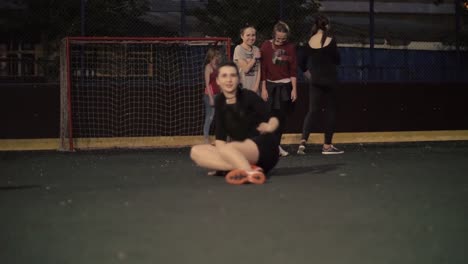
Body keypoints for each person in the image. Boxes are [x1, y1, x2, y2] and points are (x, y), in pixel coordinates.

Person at [190, 62, 280, 185]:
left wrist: (270, 126)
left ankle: (248, 172)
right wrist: (221, 161)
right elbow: (220, 141)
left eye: (233, 75)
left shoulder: (249, 96)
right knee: (196, 151)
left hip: (263, 146)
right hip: (237, 151)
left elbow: (273, 118)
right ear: (217, 80)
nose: (229, 80)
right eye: (224, 76)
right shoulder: (220, 102)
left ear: (238, 79)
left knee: (229, 148)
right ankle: (243, 167)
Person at [297, 14, 344, 155]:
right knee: (330, 111)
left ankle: (302, 143)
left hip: (315, 81)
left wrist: (308, 74)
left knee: (312, 111)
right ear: (327, 25)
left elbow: (301, 62)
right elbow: (337, 60)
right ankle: (327, 146)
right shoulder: (331, 40)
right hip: (330, 80)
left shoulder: (309, 41)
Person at [260, 21, 297, 157]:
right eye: (278, 38)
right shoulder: (265, 46)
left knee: (281, 119)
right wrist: (263, 88)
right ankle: (268, 146)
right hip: (270, 86)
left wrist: (294, 89)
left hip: (285, 86)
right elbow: (263, 69)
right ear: (273, 35)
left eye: (283, 39)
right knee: (269, 118)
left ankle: (277, 146)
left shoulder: (291, 47)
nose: (281, 41)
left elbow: (293, 70)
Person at [233, 25, 261, 93]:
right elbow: (246, 69)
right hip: (243, 89)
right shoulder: (238, 49)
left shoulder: (256, 49)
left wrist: (256, 87)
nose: (251, 38)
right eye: (248, 35)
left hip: (255, 89)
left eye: (253, 35)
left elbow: (259, 70)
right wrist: (254, 58)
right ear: (242, 36)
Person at [202, 47, 222, 143]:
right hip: (210, 95)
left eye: (217, 56)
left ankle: (221, 137)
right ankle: (206, 137)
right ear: (211, 57)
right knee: (210, 116)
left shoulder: (218, 67)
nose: (217, 58)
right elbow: (207, 84)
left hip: (218, 94)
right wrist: (210, 98)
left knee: (220, 116)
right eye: (215, 56)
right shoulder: (208, 67)